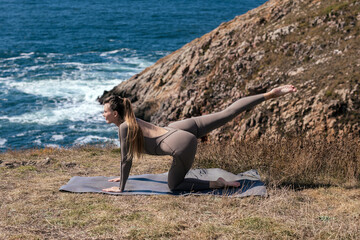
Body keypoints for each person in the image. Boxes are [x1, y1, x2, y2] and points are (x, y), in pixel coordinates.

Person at [101, 85, 297, 193]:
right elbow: (126, 161)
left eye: (105, 112)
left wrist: (121, 188)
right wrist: (123, 175)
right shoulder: (131, 120)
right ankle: (270, 94)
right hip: (175, 129)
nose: (103, 115)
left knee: (174, 186)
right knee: (227, 113)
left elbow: (126, 159)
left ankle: (218, 184)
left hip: (180, 141)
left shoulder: (125, 127)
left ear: (116, 114)